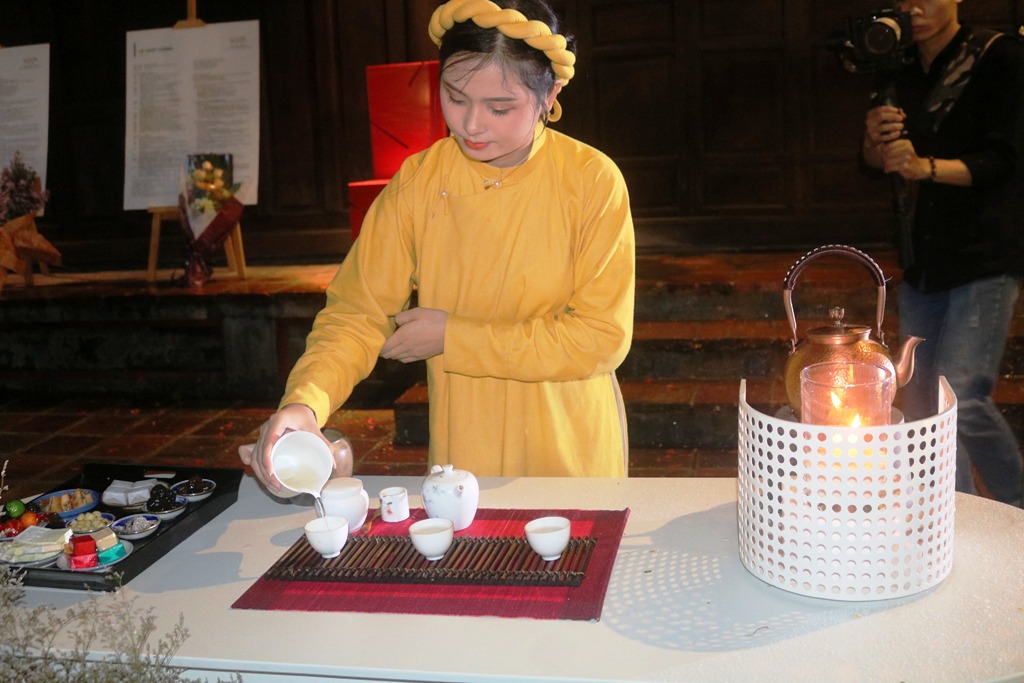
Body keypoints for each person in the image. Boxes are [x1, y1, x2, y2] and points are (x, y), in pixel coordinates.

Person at [240, 0, 635, 492]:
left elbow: (600, 338)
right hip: (464, 457)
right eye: (455, 96)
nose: (471, 124)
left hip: (569, 451)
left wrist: (454, 337)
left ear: (549, 94)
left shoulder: (591, 181)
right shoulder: (422, 182)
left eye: (500, 108)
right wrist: (305, 401)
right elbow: (357, 312)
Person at [861, 0, 1024, 506]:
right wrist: (873, 142)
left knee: (963, 397)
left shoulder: (1001, 57)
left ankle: (1015, 504)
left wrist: (925, 167)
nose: (914, 8)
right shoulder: (901, 68)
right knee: (922, 403)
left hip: (986, 253)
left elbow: (1004, 160)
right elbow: (874, 166)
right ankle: (950, 513)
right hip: (924, 258)